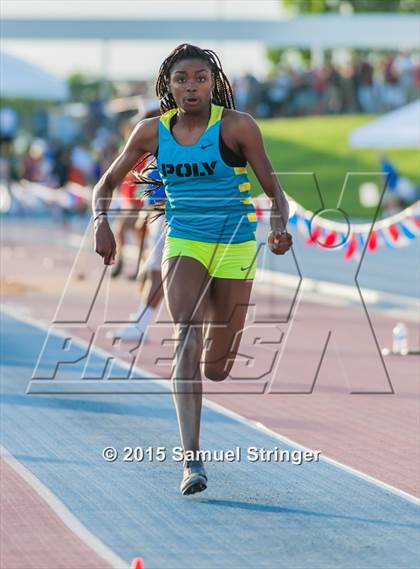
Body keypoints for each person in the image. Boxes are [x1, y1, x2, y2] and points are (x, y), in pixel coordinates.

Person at [93, 43, 292, 496]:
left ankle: (214, 360)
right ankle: (192, 461)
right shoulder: (150, 132)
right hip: (184, 239)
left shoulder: (238, 127)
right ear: (168, 85)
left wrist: (279, 228)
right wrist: (99, 223)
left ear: (213, 83)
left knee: (217, 367)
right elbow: (105, 184)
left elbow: (274, 190)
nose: (191, 86)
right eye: (181, 79)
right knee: (185, 330)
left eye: (200, 78)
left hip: (236, 245)